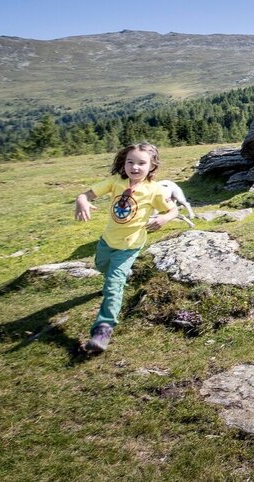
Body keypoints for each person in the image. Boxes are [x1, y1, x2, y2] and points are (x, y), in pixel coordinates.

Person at [74, 142, 180, 353]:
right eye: (130, 162)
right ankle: (122, 275)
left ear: (152, 166)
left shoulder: (155, 190)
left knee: (112, 285)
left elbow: (173, 210)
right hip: (107, 241)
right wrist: (82, 201)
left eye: (142, 163)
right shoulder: (116, 181)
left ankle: (103, 329)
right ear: (124, 163)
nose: (135, 167)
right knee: (102, 267)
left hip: (129, 246)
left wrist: (164, 218)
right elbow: (87, 194)